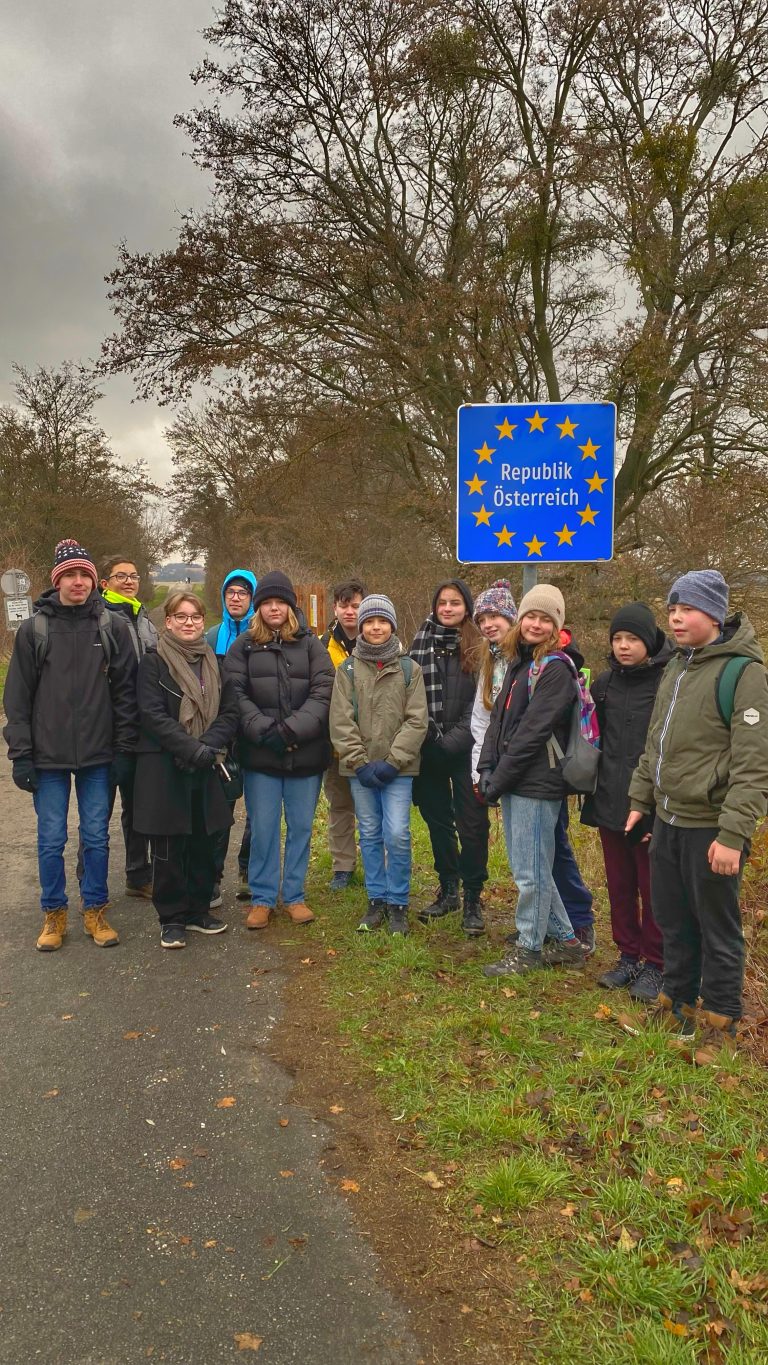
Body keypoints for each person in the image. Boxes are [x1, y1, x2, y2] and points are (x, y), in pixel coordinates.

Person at [627, 570, 768, 1052]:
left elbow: (754, 765)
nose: (676, 617)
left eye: (687, 609)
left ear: (714, 613)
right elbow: (657, 743)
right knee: (672, 920)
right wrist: (640, 798)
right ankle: (677, 1006)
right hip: (668, 819)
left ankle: (720, 1023)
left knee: (717, 928)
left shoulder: (744, 673)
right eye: (672, 609)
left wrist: (732, 835)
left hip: (711, 826)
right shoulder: (676, 666)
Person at [3, 538, 138, 951]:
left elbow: (127, 695)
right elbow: (17, 698)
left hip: (99, 755)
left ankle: (95, 909)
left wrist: (125, 750)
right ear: (57, 580)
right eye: (71, 575)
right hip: (48, 758)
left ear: (94, 581)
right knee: (50, 839)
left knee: (96, 836)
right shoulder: (34, 630)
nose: (78, 582)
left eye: (85, 575)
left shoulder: (111, 626)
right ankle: (53, 913)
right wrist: (21, 754)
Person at [470, 585, 593, 952]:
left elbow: (532, 732)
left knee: (531, 873)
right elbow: (499, 722)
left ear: (556, 626)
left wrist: (500, 777)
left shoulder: (555, 668)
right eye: (531, 616)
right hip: (514, 779)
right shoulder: (520, 661)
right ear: (520, 619)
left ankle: (529, 947)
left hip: (538, 782)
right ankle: (568, 940)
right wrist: (486, 767)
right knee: (531, 868)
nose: (536, 624)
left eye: (545, 618)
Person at [224, 571, 334, 927]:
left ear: (290, 607)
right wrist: (262, 729)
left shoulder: (311, 645)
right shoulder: (243, 647)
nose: (274, 608)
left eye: (280, 603)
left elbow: (324, 691)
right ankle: (262, 897)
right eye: (267, 603)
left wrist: (291, 729)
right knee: (264, 827)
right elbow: (235, 693)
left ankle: (295, 895)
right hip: (261, 754)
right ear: (259, 608)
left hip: (305, 752)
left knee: (301, 827)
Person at [133, 590, 239, 948]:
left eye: (195, 616)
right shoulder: (153, 662)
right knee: (169, 846)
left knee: (202, 841)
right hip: (166, 765)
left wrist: (206, 748)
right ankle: (172, 918)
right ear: (169, 622)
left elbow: (230, 711)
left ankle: (197, 911)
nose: (189, 623)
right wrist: (190, 748)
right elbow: (152, 715)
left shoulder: (215, 661)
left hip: (206, 763)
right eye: (181, 617)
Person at [581, 603, 671, 999]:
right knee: (619, 885)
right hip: (609, 802)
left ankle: (656, 964)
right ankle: (627, 957)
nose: (623, 646)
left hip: (651, 807)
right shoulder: (603, 684)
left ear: (649, 641)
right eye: (617, 638)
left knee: (653, 888)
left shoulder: (669, 682)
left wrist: (655, 805)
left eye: (632, 638)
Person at [330, 594, 428, 935]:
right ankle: (377, 899)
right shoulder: (348, 670)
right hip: (360, 771)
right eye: (369, 621)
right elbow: (341, 721)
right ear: (360, 627)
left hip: (398, 770)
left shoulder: (408, 669)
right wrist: (358, 763)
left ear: (392, 626)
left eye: (382, 621)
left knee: (397, 833)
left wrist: (393, 762)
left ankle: (399, 901)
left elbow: (417, 720)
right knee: (370, 833)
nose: (375, 627)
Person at [76, 555, 158, 902]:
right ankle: (88, 882)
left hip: (142, 731)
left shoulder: (145, 620)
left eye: (133, 575)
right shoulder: (97, 619)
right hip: (103, 731)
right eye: (120, 576)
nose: (128, 581)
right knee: (97, 812)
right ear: (104, 583)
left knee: (139, 807)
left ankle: (138, 874)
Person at [411, 579, 488, 935]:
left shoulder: (479, 646)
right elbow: (409, 696)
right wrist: (428, 738)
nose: (447, 608)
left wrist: (450, 741)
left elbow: (483, 704)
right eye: (442, 602)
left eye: (455, 602)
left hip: (467, 751)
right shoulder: (419, 644)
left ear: (466, 607)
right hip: (427, 749)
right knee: (438, 822)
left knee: (472, 826)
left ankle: (473, 896)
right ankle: (449, 888)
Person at [205, 569, 258, 904]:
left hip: (256, 734)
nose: (236, 597)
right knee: (220, 810)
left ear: (252, 598)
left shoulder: (263, 634)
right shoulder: (210, 637)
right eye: (230, 592)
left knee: (258, 811)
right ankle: (211, 878)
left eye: (243, 592)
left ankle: (249, 871)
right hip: (223, 738)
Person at [320, 578, 367, 890]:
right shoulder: (320, 647)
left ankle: (379, 864)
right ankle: (343, 867)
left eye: (356, 604)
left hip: (370, 744)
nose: (350, 611)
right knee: (340, 807)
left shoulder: (383, 640)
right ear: (334, 608)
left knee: (371, 810)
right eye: (344, 605)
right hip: (334, 745)